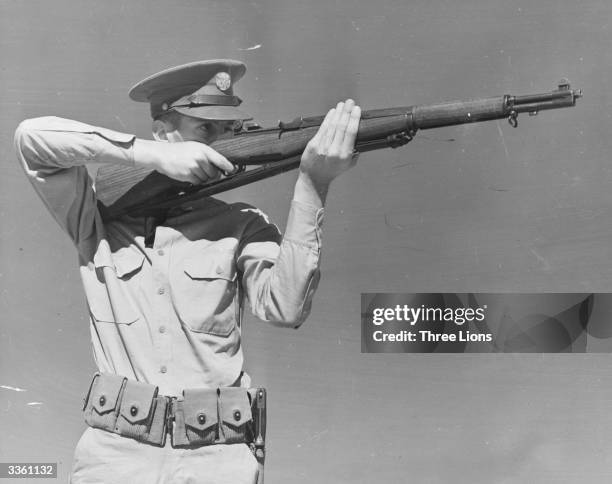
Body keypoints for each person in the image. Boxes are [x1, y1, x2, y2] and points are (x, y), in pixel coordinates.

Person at [14, 59, 361, 484]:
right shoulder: (97, 220)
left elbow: (285, 309)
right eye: (204, 128)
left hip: (217, 457)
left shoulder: (243, 223)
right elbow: (31, 138)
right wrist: (153, 156)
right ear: (163, 131)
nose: (221, 139)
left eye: (228, 128)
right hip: (115, 457)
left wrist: (312, 184)